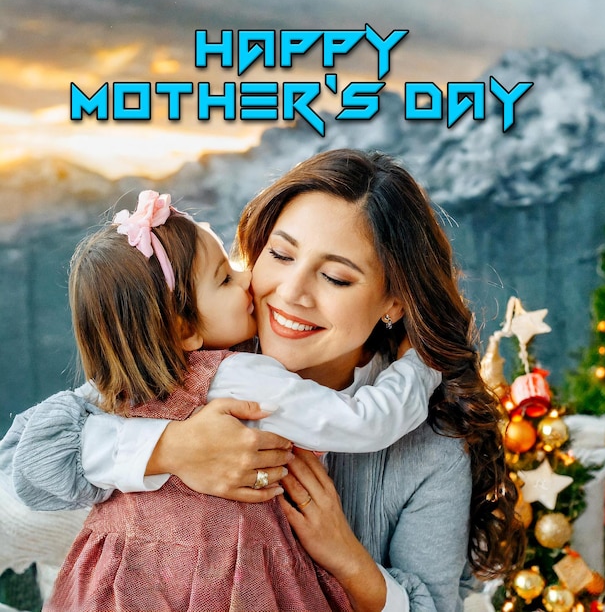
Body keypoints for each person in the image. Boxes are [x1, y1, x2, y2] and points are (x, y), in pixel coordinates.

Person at [1, 150, 525, 611]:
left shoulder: (430, 449)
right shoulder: (188, 360)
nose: (289, 292)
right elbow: (23, 466)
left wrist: (347, 558)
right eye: (280, 254)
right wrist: (172, 447)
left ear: (394, 301)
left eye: (336, 276)